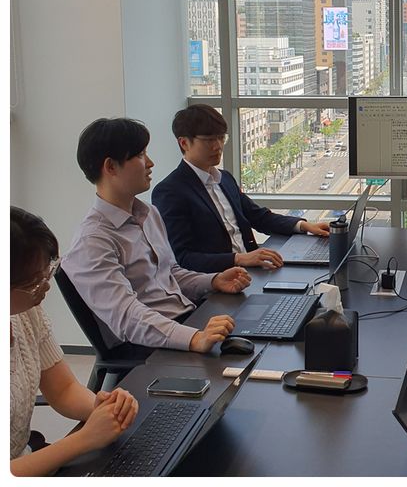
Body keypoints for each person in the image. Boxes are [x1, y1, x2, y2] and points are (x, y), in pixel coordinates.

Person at [62, 117, 251, 353]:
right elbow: (126, 316)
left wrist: (213, 281)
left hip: (184, 320)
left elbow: (170, 274)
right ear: (110, 167)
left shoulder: (148, 214)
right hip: (151, 346)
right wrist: (194, 339)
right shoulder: (92, 241)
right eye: (141, 155)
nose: (150, 163)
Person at [11, 207, 139, 476]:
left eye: (47, 273)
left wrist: (103, 409)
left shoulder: (25, 313)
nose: (46, 286)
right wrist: (84, 439)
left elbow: (63, 389)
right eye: (33, 282)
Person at [153, 104, 330, 273]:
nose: (218, 146)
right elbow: (183, 258)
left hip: (252, 271)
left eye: (221, 138)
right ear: (184, 143)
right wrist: (238, 259)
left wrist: (304, 226)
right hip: (217, 282)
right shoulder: (170, 192)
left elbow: (258, 217)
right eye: (209, 140)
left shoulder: (225, 179)